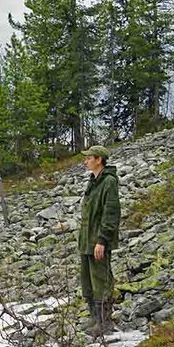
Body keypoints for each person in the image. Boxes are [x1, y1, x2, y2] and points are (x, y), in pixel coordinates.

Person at [77, 144, 121, 336]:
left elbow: (111, 213)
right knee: (87, 280)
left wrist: (102, 240)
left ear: (99, 160)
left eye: (89, 157)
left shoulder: (109, 182)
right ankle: (95, 317)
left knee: (101, 280)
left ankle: (105, 321)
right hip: (87, 240)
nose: (86, 161)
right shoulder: (93, 181)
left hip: (98, 241)